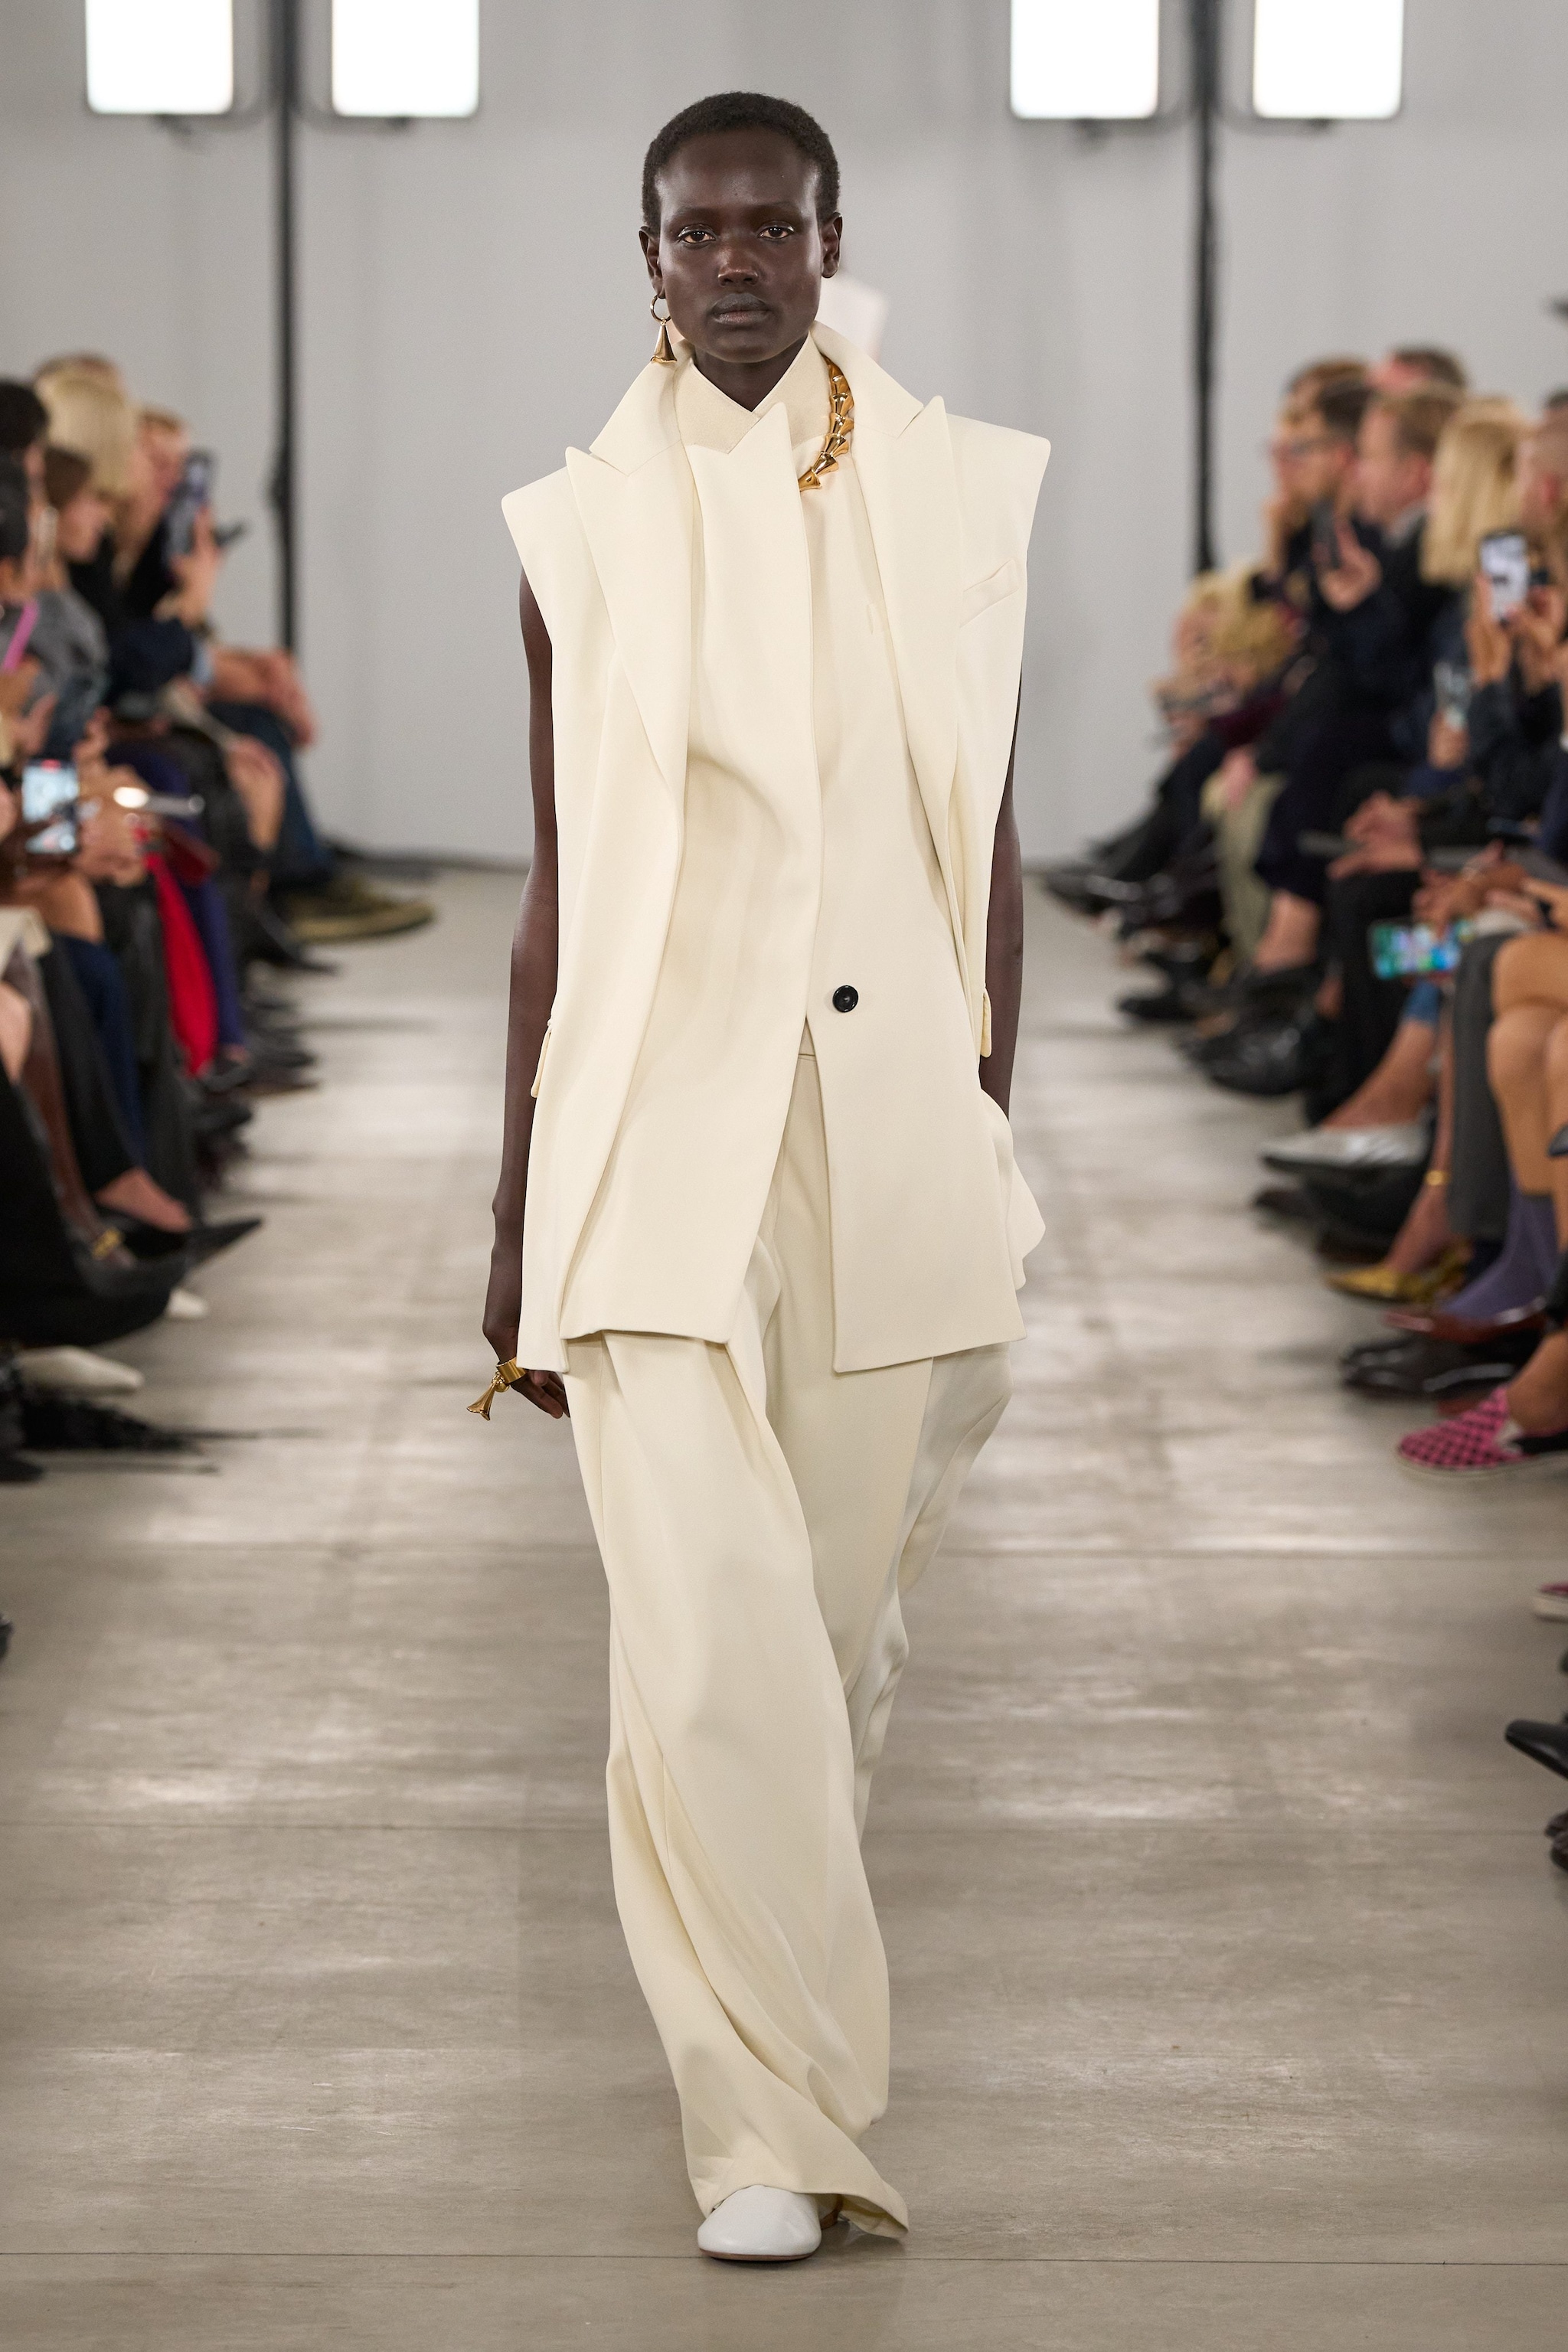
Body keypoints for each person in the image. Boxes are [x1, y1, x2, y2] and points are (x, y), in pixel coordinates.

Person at [479, 90, 1047, 2265]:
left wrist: (988, 1122)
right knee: (707, 1642)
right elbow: (556, 888)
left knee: (823, 1640)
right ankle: (760, 2130)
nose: (734, 264)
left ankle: (783, 2054)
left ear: (828, 242)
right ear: (646, 257)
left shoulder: (957, 498)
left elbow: (987, 845)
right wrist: (513, 1217)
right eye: (696, 232)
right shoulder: (571, 535)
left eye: (771, 229)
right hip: (648, 1133)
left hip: (886, 1123)